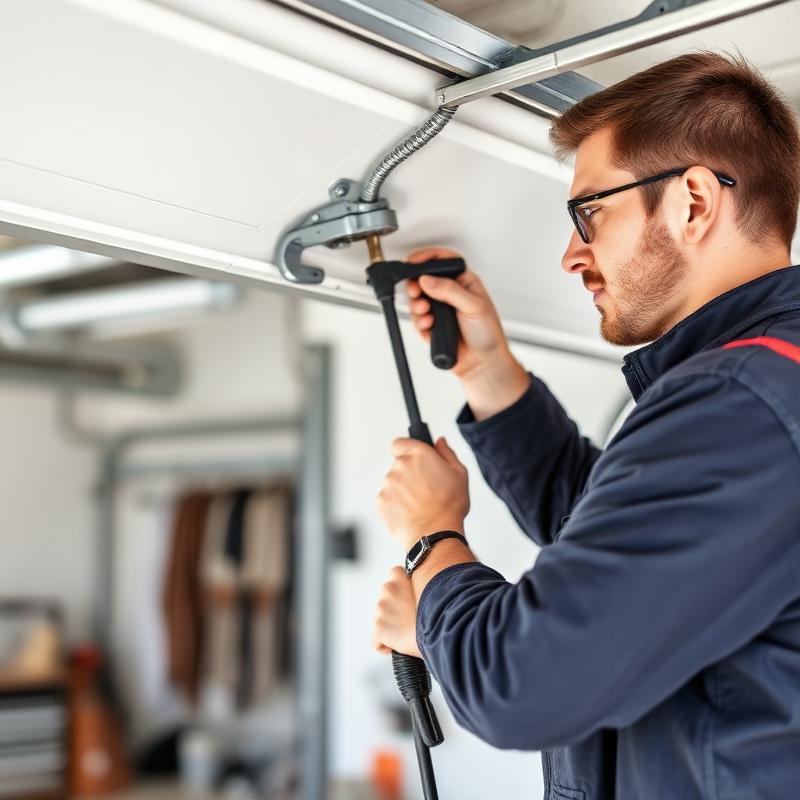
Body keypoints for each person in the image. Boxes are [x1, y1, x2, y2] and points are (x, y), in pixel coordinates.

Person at [372, 51, 800, 799]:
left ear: (693, 202)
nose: (573, 254)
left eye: (590, 212)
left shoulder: (737, 403)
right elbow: (630, 552)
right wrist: (489, 375)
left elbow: (522, 686)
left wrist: (433, 543)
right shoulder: (769, 382)